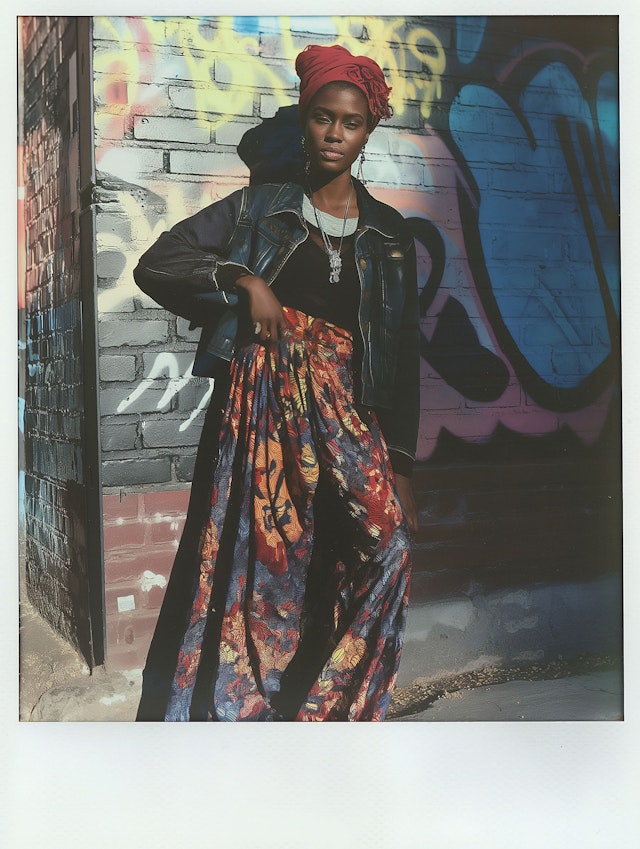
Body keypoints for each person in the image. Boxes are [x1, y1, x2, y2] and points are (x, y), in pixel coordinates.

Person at [134, 44, 420, 721]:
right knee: (265, 572)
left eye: (349, 123)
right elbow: (159, 261)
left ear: (367, 131)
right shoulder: (259, 207)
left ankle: (331, 712)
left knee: (391, 545)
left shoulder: (390, 236)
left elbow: (403, 356)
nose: (333, 134)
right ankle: (247, 716)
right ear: (306, 118)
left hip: (348, 415)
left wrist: (401, 463)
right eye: (322, 117)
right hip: (263, 409)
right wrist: (241, 278)